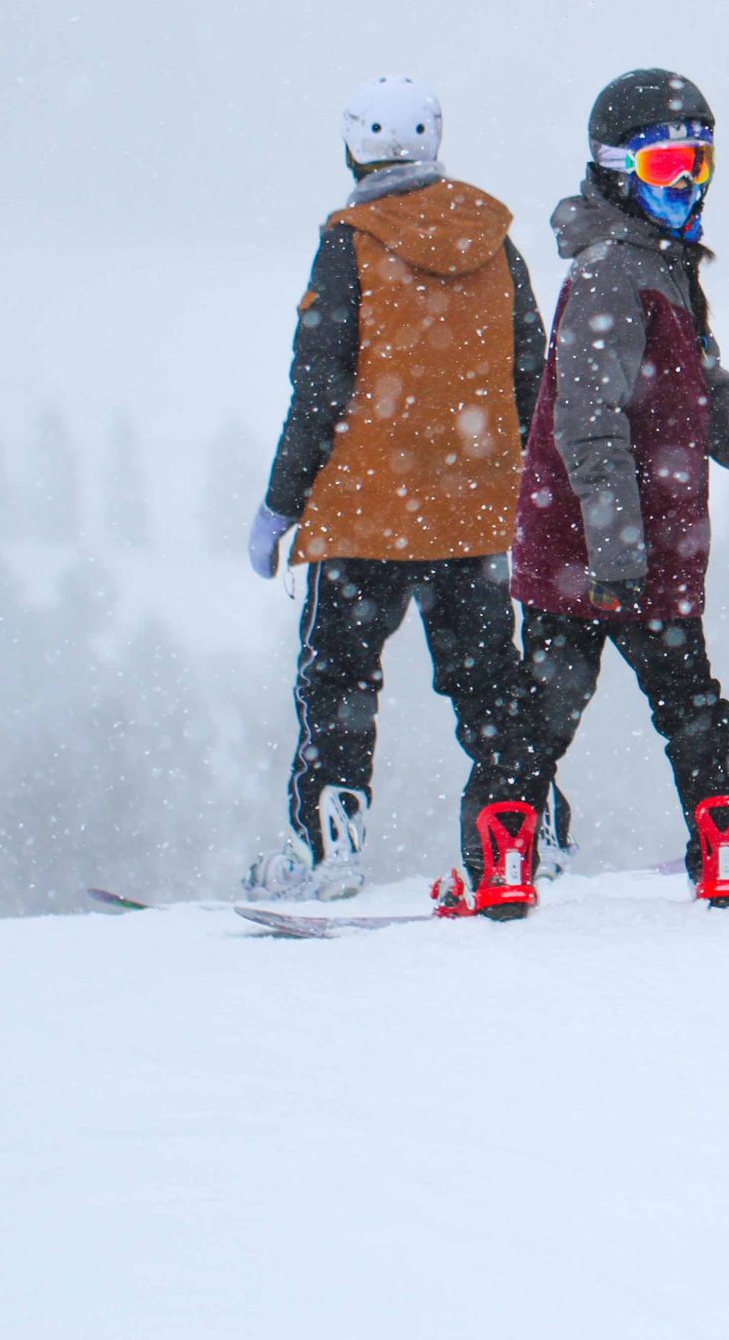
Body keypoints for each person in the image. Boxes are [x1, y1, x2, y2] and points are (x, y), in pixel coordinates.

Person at [507, 69, 729, 907]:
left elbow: (716, 405)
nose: (686, 184)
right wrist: (615, 549)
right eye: (663, 166)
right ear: (616, 172)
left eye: (698, 164)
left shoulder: (663, 267)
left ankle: (728, 852)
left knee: (687, 705)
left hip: (647, 552)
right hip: (589, 553)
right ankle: (502, 858)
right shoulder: (611, 274)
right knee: (550, 711)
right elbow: (588, 421)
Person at [244, 76, 551, 916]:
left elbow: (318, 389)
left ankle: (327, 848)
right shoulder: (495, 241)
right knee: (491, 690)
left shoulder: (348, 245)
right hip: (473, 518)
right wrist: (537, 495)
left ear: (354, 148)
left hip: (363, 517)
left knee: (338, 685)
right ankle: (520, 845)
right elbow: (534, 377)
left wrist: (279, 505)